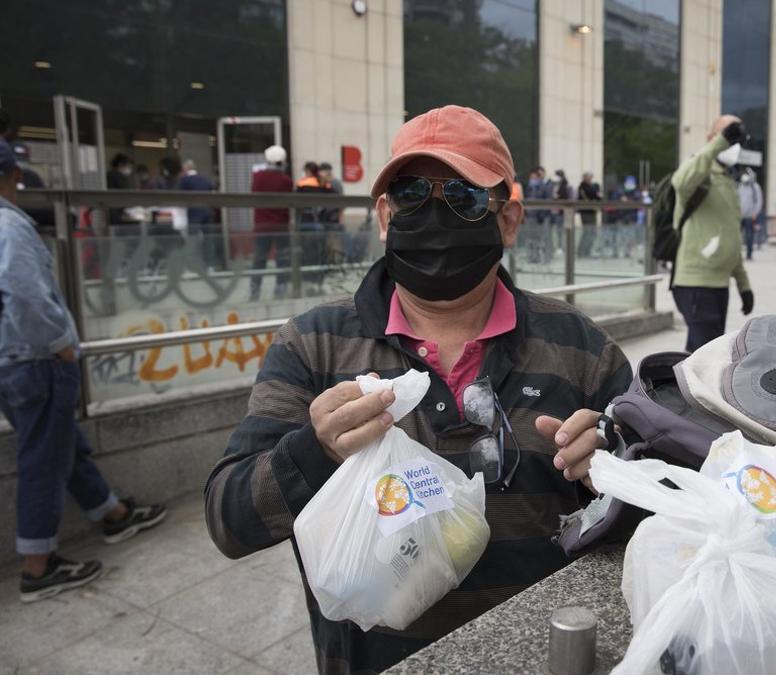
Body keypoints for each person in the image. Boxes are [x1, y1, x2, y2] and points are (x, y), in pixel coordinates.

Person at [203, 105, 631, 674]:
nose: (435, 215)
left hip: (541, 656)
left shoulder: (581, 347)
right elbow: (229, 520)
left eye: (465, 196)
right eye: (411, 193)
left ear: (508, 219)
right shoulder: (313, 345)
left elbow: (659, 507)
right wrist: (316, 450)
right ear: (384, 214)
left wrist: (615, 464)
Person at [0, 139, 167, 603]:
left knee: (58, 443)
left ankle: (110, 513)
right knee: (42, 459)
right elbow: (25, 295)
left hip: (10, 359)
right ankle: (38, 566)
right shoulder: (9, 226)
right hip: (34, 359)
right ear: (13, 175)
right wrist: (59, 345)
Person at [670, 114, 754, 352]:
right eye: (727, 134)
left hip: (718, 284)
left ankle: (673, 389)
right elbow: (680, 182)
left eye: (735, 137)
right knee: (707, 357)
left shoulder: (727, 181)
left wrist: (743, 284)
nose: (730, 143)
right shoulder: (698, 172)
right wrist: (718, 143)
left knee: (697, 356)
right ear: (710, 138)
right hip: (696, 282)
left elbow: (731, 236)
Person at [249, 145, 294, 301]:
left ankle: (254, 291)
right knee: (282, 259)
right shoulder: (286, 181)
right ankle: (280, 291)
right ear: (282, 162)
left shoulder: (257, 177)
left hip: (261, 225)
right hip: (280, 226)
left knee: (259, 259)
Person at [296, 161, 335, 294]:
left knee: (307, 253)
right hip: (322, 225)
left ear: (307, 171)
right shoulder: (325, 184)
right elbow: (335, 199)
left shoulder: (302, 184)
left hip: (306, 224)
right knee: (321, 254)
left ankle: (309, 281)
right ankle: (319, 282)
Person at [178, 159, 222, 270]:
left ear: (186, 168)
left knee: (192, 241)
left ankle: (191, 266)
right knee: (209, 240)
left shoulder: (184, 180)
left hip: (193, 214)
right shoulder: (205, 179)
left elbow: (180, 197)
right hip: (207, 212)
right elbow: (213, 191)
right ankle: (210, 265)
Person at [737, 167, 764, 260]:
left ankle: (749, 254)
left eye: (746, 174)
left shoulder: (755, 187)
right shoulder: (739, 186)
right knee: (736, 236)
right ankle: (736, 255)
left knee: (749, 236)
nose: (744, 176)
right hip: (739, 216)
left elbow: (759, 201)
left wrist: (755, 213)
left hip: (750, 216)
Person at [576, 171, 602, 258]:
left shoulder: (592, 186)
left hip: (591, 211)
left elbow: (598, 196)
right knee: (588, 231)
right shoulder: (583, 187)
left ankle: (587, 250)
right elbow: (592, 195)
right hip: (586, 212)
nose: (591, 179)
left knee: (592, 232)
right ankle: (582, 251)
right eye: (589, 177)